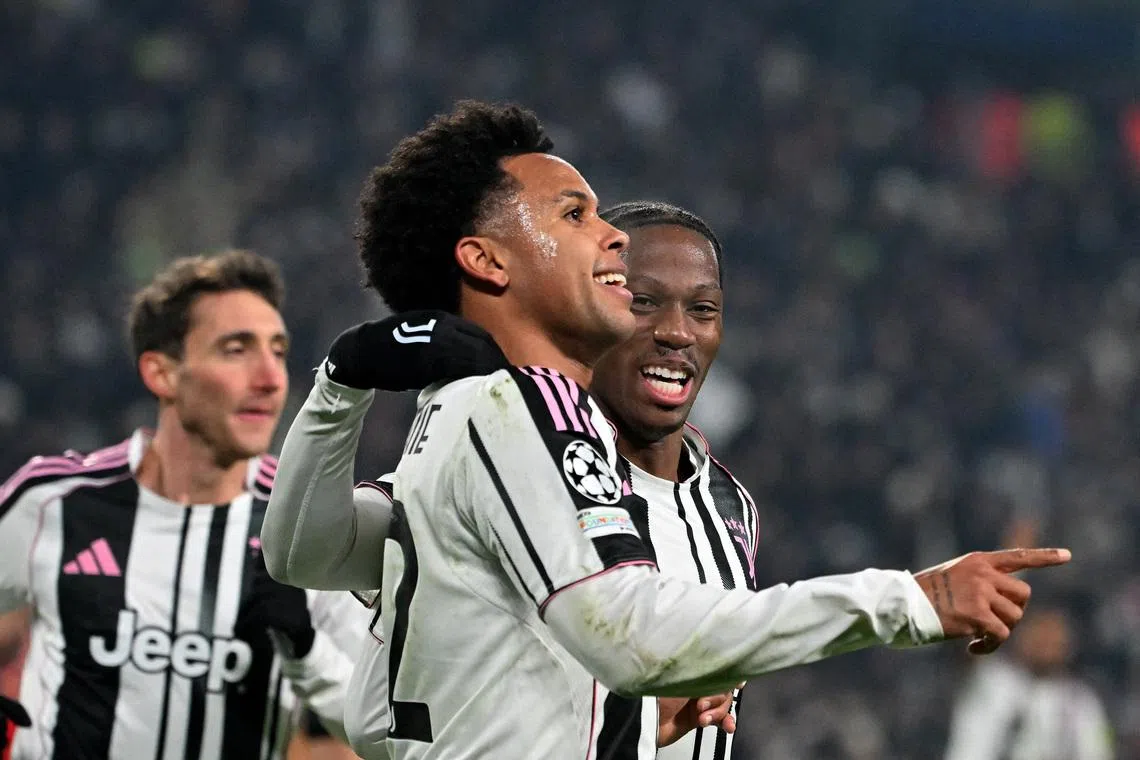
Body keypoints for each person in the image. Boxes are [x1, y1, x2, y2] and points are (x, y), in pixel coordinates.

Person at [261, 100, 1069, 760]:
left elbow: (310, 556)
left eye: (705, 308)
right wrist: (909, 597)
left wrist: (634, 728)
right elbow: (627, 633)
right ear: (489, 261)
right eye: (574, 214)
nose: (608, 234)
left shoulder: (488, 420)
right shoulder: (516, 406)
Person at [0, 250, 366, 759]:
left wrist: (305, 650)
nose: (270, 378)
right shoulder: (54, 502)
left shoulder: (307, 523)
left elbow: (387, 731)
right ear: (162, 374)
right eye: (236, 349)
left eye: (279, 352)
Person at [944, 605, 1113, 760]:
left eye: (1053, 637)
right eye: (1039, 633)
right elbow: (966, 643)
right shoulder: (992, 679)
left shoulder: (1081, 702)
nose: (1045, 643)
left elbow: (1095, 752)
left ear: (1068, 645)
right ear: (1021, 635)